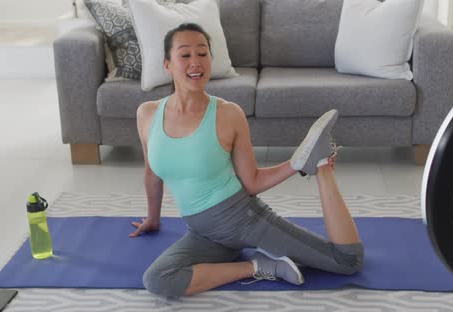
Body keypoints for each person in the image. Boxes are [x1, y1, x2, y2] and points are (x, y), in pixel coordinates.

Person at [131, 22, 364, 297]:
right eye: (185, 55)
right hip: (204, 233)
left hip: (243, 219)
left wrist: (295, 164)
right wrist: (154, 218)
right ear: (168, 64)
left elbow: (251, 182)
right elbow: (152, 173)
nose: (195, 62)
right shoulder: (147, 115)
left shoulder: (228, 114)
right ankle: (259, 266)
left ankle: (320, 165)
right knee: (158, 280)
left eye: (203, 53)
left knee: (348, 261)